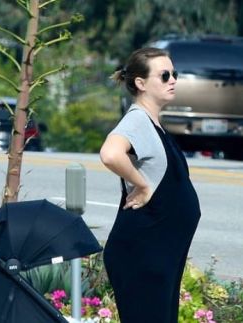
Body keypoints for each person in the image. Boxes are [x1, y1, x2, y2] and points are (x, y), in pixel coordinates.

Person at [99, 47, 201, 323]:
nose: (173, 80)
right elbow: (110, 153)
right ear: (141, 83)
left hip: (159, 253)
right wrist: (141, 185)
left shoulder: (152, 122)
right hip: (142, 255)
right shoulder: (137, 120)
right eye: (165, 75)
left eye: (174, 74)